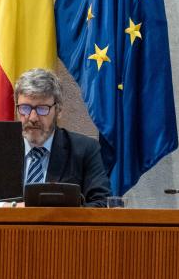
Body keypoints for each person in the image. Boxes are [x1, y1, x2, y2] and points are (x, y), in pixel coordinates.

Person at [14, 69, 111, 207]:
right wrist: (9, 207)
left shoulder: (84, 150)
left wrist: (52, 215)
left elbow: (101, 204)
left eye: (42, 109)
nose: (33, 118)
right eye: (25, 108)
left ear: (58, 111)